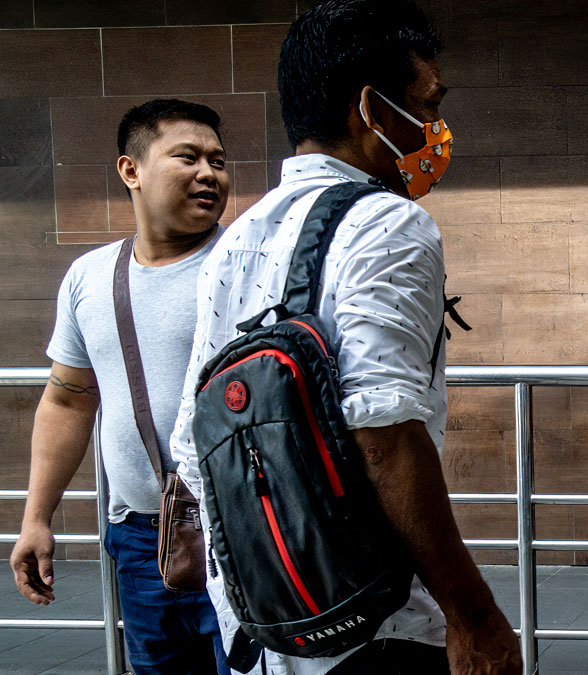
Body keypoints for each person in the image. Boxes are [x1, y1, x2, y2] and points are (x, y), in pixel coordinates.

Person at [168, 2, 520, 673]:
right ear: (371, 110)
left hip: (265, 625)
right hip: (375, 628)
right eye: (427, 105)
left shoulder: (235, 242)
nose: (436, 130)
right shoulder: (388, 227)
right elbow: (382, 435)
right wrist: (474, 617)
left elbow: (192, 448)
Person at [10, 99, 231, 674]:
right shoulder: (89, 276)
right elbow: (67, 398)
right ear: (130, 171)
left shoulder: (249, 263)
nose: (209, 173)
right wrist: (37, 517)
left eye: (218, 160)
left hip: (244, 534)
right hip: (141, 539)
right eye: (188, 157)